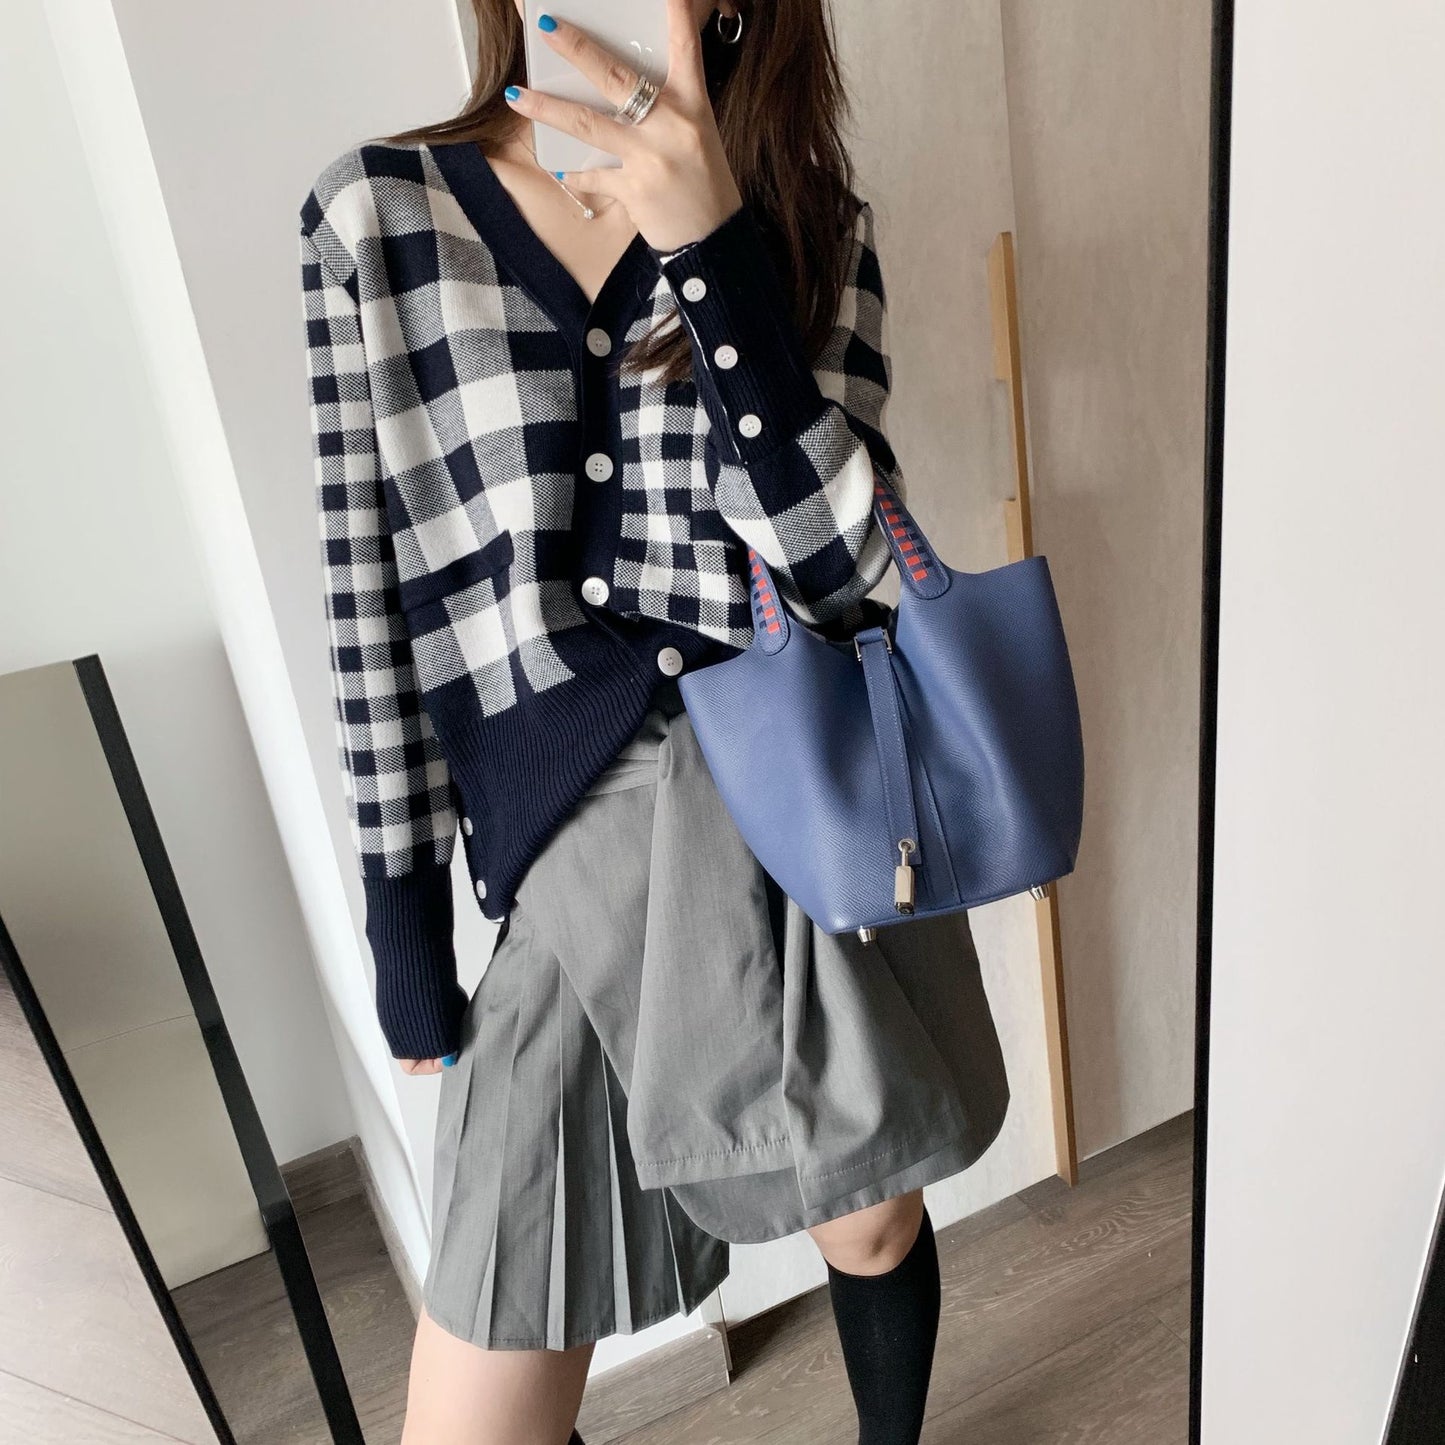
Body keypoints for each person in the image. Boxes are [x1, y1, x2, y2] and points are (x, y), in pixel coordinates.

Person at [298, 2, 1010, 1440]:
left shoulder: (808, 220)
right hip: (563, 834)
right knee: (476, 1408)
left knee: (867, 1216)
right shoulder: (377, 214)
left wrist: (713, 256)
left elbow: (841, 574)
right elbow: (371, 603)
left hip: (781, 784)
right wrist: (401, 923)